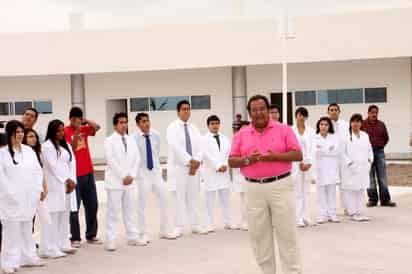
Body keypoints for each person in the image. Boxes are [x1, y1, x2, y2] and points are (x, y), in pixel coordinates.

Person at [229, 95, 303, 274]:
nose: (258, 113)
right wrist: (247, 160)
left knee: (287, 234)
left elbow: (297, 155)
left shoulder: (283, 130)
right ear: (250, 113)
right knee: (259, 235)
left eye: (262, 109)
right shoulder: (242, 134)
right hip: (254, 189)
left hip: (280, 186)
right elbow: (232, 161)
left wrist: (275, 156)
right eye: (254, 110)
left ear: (268, 110)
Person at [0, 120, 45, 274]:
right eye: (16, 132)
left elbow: (38, 171)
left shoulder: (29, 151)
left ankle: (28, 257)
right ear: (10, 134)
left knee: (27, 229)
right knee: (11, 232)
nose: (20, 135)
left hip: (28, 198)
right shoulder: (3, 153)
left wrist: (38, 189)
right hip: (11, 200)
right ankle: (8, 262)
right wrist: (11, 194)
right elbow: (1, 178)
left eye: (21, 132)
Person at [134, 113, 177, 243]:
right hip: (142, 175)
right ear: (138, 124)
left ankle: (164, 230)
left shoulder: (156, 135)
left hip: (156, 173)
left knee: (165, 199)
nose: (146, 123)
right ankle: (143, 233)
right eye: (143, 121)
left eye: (147, 121)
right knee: (141, 205)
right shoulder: (133, 138)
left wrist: (157, 170)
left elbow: (156, 152)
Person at [166, 100, 206, 237]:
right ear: (178, 111)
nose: (186, 111)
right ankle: (179, 226)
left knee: (193, 196)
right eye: (183, 109)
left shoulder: (194, 128)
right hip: (180, 168)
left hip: (194, 168)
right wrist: (190, 161)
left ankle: (195, 225)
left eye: (188, 109)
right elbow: (175, 146)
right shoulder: (172, 127)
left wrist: (197, 162)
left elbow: (201, 147)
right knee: (179, 197)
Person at [40, 120, 78, 258]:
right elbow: (53, 166)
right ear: (52, 131)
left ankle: (63, 243)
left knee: (64, 215)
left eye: (62, 130)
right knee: (53, 216)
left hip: (67, 186)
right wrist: (66, 180)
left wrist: (72, 180)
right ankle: (49, 248)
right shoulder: (46, 146)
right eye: (58, 130)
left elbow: (72, 162)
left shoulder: (66, 145)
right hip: (54, 185)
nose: (61, 133)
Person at [65, 107, 101, 247]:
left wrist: (85, 121)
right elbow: (72, 149)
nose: (76, 121)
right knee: (75, 207)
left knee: (92, 204)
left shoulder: (85, 128)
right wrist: (77, 132)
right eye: (74, 119)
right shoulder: (66, 131)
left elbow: (97, 127)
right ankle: (75, 237)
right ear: (70, 119)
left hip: (88, 172)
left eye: (79, 119)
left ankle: (91, 235)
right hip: (75, 174)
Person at [104, 113, 140, 251]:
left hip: (130, 181)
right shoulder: (109, 140)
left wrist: (132, 175)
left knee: (130, 210)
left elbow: (137, 158)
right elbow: (111, 160)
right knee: (113, 212)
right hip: (115, 182)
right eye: (121, 122)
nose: (124, 125)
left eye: (125, 122)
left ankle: (132, 236)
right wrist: (123, 175)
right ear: (115, 125)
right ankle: (111, 240)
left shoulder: (131, 140)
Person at [201, 115, 237, 232]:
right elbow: (206, 155)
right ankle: (208, 224)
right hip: (211, 172)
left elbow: (229, 153)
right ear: (208, 126)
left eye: (217, 123)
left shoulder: (225, 138)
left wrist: (225, 165)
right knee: (209, 201)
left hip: (224, 172)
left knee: (225, 199)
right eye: (212, 124)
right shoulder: (203, 139)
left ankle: (228, 222)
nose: (215, 125)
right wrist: (217, 166)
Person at [362, 105, 396, 207]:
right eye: (372, 112)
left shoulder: (381, 124)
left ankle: (385, 200)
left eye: (376, 112)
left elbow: (386, 138)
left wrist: (380, 146)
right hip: (367, 153)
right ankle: (372, 199)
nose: (374, 114)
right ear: (368, 113)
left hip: (379, 152)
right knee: (370, 177)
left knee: (382, 177)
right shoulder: (363, 124)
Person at [341, 114, 373, 221]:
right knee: (351, 191)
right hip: (351, 168)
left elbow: (369, 149)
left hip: (363, 167)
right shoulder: (345, 136)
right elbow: (342, 152)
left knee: (360, 190)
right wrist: (349, 163)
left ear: (361, 123)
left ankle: (359, 212)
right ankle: (352, 212)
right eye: (353, 121)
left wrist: (370, 159)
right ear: (350, 123)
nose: (356, 124)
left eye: (358, 121)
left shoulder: (365, 135)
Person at [313, 117, 341, 224]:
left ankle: (332, 214)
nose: (323, 126)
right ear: (318, 126)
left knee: (332, 192)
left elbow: (336, 151)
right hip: (320, 169)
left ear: (329, 126)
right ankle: (322, 214)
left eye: (326, 124)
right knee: (321, 193)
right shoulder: (314, 138)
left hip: (331, 168)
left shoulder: (334, 137)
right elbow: (315, 152)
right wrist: (328, 150)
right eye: (321, 124)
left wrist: (323, 150)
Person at [292, 107, 316, 227]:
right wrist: (299, 162)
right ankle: (298, 218)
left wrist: (309, 162)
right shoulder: (291, 130)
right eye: (299, 115)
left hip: (307, 164)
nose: (301, 117)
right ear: (296, 116)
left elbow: (313, 148)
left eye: (304, 115)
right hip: (296, 165)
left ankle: (306, 216)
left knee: (306, 191)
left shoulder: (311, 131)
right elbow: (291, 148)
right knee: (297, 192)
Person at [327, 103, 350, 213]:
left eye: (336, 109)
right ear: (328, 112)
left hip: (343, 158)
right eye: (331, 110)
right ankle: (329, 209)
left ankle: (346, 207)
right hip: (330, 159)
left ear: (339, 111)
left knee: (344, 183)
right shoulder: (325, 124)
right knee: (330, 184)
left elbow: (350, 140)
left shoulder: (345, 124)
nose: (334, 111)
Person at [231, 121, 250, 231]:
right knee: (245, 201)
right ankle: (244, 221)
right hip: (241, 175)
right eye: (242, 128)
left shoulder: (253, 140)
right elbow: (234, 159)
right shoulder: (236, 141)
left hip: (254, 175)